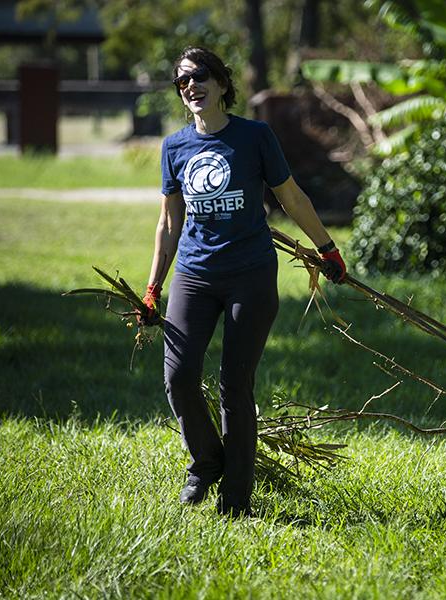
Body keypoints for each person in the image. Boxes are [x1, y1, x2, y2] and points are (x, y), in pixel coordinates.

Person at [141, 46, 346, 518]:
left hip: (250, 275)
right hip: (195, 274)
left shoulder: (254, 137)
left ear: (221, 83)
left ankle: (235, 501)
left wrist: (326, 248)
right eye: (181, 81)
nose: (190, 86)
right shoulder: (174, 146)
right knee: (178, 377)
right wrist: (153, 287)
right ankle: (206, 463)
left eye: (198, 77)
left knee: (235, 384)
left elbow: (290, 197)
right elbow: (169, 223)